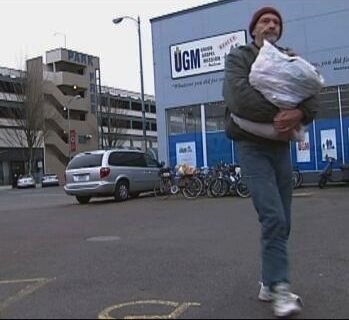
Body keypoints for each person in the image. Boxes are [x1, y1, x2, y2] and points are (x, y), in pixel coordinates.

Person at [223, 6, 318, 318]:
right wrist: (284, 114)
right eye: (265, 21)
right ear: (254, 29)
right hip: (252, 147)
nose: (271, 25)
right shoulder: (239, 57)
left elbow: (312, 92)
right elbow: (238, 97)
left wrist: (301, 113)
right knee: (273, 217)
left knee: (283, 221)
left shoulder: (289, 57)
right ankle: (279, 288)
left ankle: (267, 283)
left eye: (276, 22)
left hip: (280, 149)